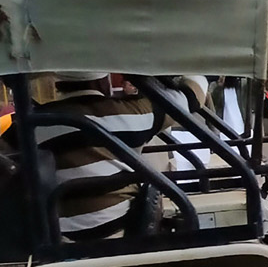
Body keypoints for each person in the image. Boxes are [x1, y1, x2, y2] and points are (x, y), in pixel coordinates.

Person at [25, 72, 208, 239]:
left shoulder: (30, 125)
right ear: (103, 81)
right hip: (122, 235)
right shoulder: (127, 113)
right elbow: (191, 98)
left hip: (56, 239)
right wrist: (197, 74)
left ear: (57, 83)